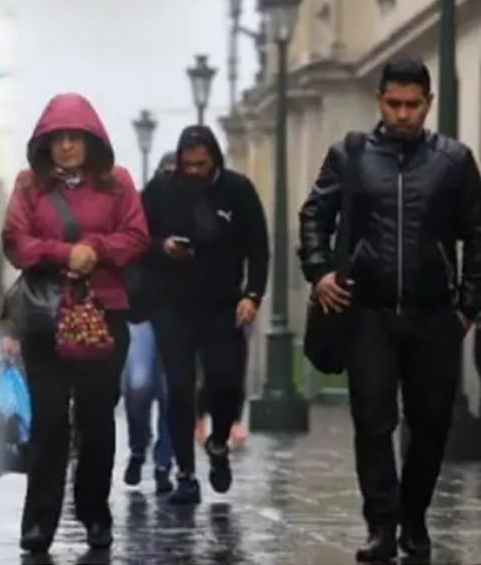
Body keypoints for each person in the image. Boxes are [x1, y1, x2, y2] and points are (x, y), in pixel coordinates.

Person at [298, 53, 481, 563]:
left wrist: (468, 307)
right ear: (380, 100)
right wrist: (320, 271)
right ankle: (382, 523)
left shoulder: (453, 161)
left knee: (429, 424)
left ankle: (415, 519)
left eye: (413, 105)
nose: (404, 114)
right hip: (368, 312)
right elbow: (316, 214)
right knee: (373, 421)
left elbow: (477, 235)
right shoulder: (350, 155)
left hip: (433, 314)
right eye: (395, 104)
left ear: (428, 104)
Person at [2, 93, 149, 554]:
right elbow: (15, 241)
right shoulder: (29, 186)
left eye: (74, 138)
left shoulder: (119, 184)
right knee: (48, 420)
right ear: (45, 145)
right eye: (57, 139)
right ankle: (38, 523)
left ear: (91, 142)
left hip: (103, 316)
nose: (66, 147)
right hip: (45, 318)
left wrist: (98, 251)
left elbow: (137, 235)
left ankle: (95, 514)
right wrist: (65, 254)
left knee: (96, 418)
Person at [142, 124, 269, 505]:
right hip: (173, 304)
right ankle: (185, 473)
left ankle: (217, 443)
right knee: (179, 388)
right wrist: (162, 246)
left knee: (225, 382)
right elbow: (135, 240)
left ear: (214, 159)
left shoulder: (238, 190)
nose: (194, 171)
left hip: (222, 304)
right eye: (188, 164)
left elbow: (259, 249)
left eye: (202, 164)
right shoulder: (161, 191)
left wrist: (252, 295)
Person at [122, 152, 176, 493]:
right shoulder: (137, 212)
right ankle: (139, 446)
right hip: (140, 312)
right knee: (139, 384)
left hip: (177, 316)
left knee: (172, 391)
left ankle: (163, 461)